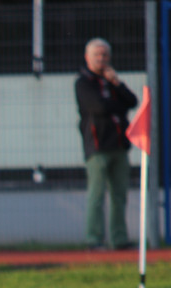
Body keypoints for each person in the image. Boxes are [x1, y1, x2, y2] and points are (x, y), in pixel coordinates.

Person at [75, 37, 138, 251]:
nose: (101, 59)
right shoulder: (83, 83)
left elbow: (132, 101)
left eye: (105, 55)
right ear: (88, 57)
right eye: (97, 55)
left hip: (120, 145)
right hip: (98, 146)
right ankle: (94, 239)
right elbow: (99, 107)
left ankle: (119, 239)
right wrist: (118, 106)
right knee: (97, 194)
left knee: (119, 195)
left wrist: (117, 83)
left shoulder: (112, 82)